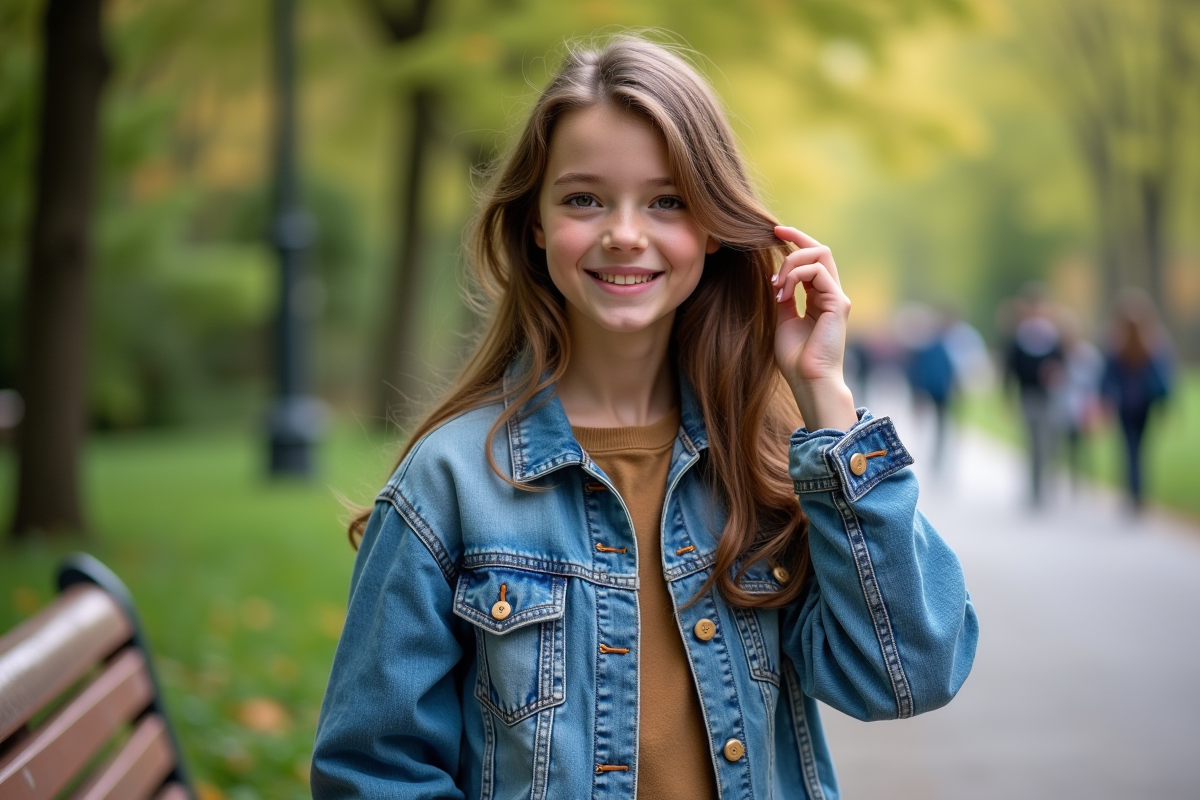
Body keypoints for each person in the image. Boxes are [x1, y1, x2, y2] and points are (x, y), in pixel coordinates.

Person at [311, 36, 977, 800]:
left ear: (714, 227)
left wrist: (824, 392)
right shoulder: (450, 485)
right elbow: (372, 771)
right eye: (583, 198)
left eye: (666, 201)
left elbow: (909, 675)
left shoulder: (760, 463)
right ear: (534, 223)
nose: (624, 232)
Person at [1101, 289, 1174, 512]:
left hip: (1126, 403)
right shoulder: (1154, 341)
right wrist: (1165, 403)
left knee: (1128, 449)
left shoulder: (1117, 342)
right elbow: (1164, 377)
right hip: (1144, 403)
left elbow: (1106, 377)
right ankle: (1138, 493)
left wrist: (1104, 398)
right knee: (1141, 450)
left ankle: (1132, 493)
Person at [1003, 287, 1065, 508]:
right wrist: (1007, 396)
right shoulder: (1019, 336)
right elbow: (1010, 369)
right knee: (1032, 443)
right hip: (1028, 395)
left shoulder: (1053, 335)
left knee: (1046, 444)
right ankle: (1034, 490)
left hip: (1049, 397)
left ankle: (1045, 486)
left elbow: (1063, 364)